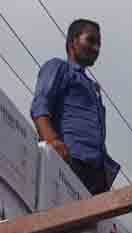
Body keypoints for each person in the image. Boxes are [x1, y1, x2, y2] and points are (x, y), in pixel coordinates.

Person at [30, 19, 120, 195]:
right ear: (73, 41)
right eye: (90, 40)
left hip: (96, 174)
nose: (96, 48)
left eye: (99, 44)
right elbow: (40, 105)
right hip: (70, 160)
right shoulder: (59, 67)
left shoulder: (92, 87)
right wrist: (51, 141)